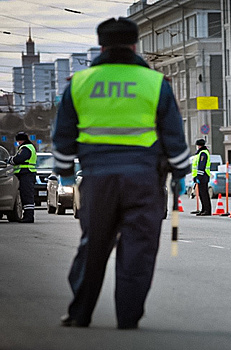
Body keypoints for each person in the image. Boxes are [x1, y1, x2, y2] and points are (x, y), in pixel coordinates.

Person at [52, 17, 190, 329]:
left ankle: (79, 314)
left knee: (93, 246)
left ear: (101, 45)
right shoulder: (154, 83)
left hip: (97, 181)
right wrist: (181, 173)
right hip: (144, 182)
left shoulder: (79, 83)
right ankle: (128, 318)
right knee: (138, 250)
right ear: (135, 45)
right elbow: (173, 136)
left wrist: (65, 173)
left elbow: (62, 137)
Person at [6, 132, 37, 223]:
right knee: (25, 195)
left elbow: (18, 159)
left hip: (26, 174)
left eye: (18, 141)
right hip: (26, 174)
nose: (18, 143)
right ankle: (27, 216)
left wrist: (10, 160)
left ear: (20, 140)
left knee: (27, 195)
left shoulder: (26, 148)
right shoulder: (28, 147)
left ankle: (29, 217)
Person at [193, 138, 212, 216]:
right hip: (201, 176)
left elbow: (201, 165)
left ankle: (207, 210)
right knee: (201, 194)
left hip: (203, 176)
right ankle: (203, 209)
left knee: (204, 194)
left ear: (199, 146)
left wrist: (199, 176)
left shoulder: (203, 153)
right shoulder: (200, 153)